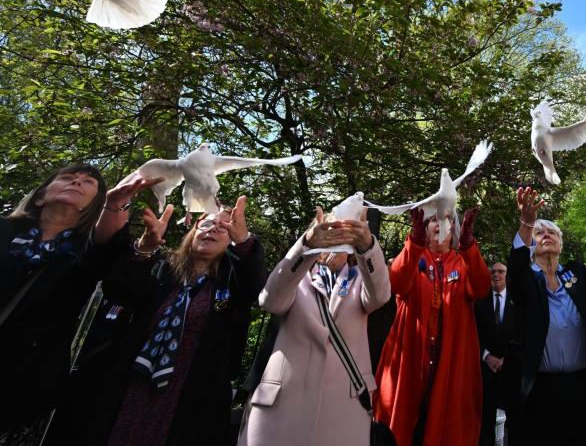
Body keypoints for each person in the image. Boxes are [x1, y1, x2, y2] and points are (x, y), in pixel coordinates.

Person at [50, 190, 265, 445]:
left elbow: (254, 286)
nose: (213, 229)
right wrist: (145, 248)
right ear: (194, 230)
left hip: (191, 391)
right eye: (206, 223)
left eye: (224, 227)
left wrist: (243, 241)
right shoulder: (162, 266)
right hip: (130, 383)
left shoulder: (233, 282)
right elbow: (120, 291)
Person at [239, 207, 391, 446]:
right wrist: (308, 246)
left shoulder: (361, 279)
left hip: (344, 412)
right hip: (281, 410)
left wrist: (368, 246)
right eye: (332, 228)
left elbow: (380, 295)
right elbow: (270, 300)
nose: (338, 235)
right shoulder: (294, 276)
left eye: (347, 230)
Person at [0, 164, 118, 441]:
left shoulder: (85, 254)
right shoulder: (4, 232)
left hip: (21, 388)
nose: (76, 182)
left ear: (92, 207)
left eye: (88, 182)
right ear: (40, 196)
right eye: (67, 177)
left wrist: (116, 207)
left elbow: (115, 270)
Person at [509, 178, 586, 446]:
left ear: (561, 244)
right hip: (540, 392)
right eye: (540, 234)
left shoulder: (578, 275)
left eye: (552, 233)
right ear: (531, 247)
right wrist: (527, 223)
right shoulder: (526, 280)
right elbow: (515, 273)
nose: (547, 236)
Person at [374, 208, 490, 446]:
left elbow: (481, 287)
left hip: (450, 367)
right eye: (433, 219)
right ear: (424, 228)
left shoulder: (463, 261)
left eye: (447, 219)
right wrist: (413, 244)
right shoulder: (413, 256)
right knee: (404, 432)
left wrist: (469, 246)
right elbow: (396, 282)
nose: (440, 224)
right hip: (410, 365)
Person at [474, 262, 520, 446]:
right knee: (486, 419)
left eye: (500, 271)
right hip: (486, 370)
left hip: (511, 368)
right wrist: (486, 356)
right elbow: (474, 332)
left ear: (507, 275)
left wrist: (506, 359)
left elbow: (520, 332)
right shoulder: (480, 301)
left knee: (515, 420)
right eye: (493, 271)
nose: (496, 274)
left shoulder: (517, 302)